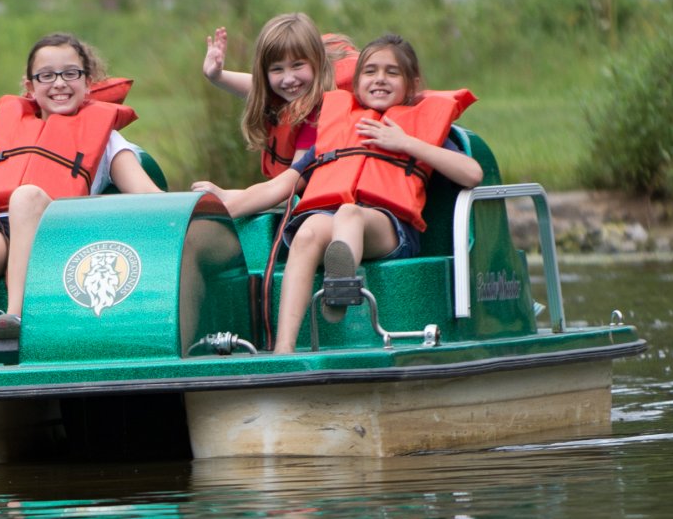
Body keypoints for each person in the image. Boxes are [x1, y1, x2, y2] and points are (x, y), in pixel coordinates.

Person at [194, 33, 482, 354]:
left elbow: (472, 173)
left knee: (349, 213)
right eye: (370, 72)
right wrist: (220, 206)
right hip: (333, 222)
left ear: (412, 84)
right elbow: (279, 187)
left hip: (389, 231)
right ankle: (284, 348)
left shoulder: (417, 129)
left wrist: (405, 143)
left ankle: (340, 288)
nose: (380, 80)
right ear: (356, 83)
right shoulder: (338, 131)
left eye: (392, 72)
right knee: (308, 230)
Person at [0, 33, 163, 357]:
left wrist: (209, 205)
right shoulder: (0, 131)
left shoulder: (108, 140)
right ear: (29, 86)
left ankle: (15, 320)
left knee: (26, 197)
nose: (59, 84)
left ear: (88, 81)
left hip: (58, 239)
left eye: (70, 73)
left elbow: (148, 196)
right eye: (46, 75)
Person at [201, 13, 351, 179]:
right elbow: (257, 88)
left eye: (297, 65)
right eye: (277, 69)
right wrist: (216, 76)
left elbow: (288, 187)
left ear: (317, 60)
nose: (288, 79)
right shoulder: (297, 88)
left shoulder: (320, 111)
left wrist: (228, 197)